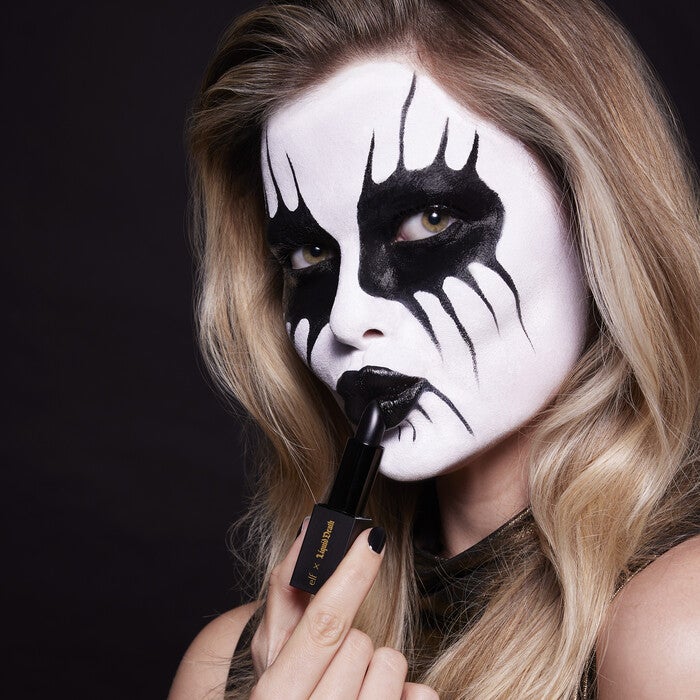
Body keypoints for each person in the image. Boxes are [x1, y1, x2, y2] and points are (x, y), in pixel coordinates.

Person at [169, 0, 700, 697]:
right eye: (307, 253)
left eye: (430, 217)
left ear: (596, 212)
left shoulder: (678, 630)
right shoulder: (226, 666)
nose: (347, 318)